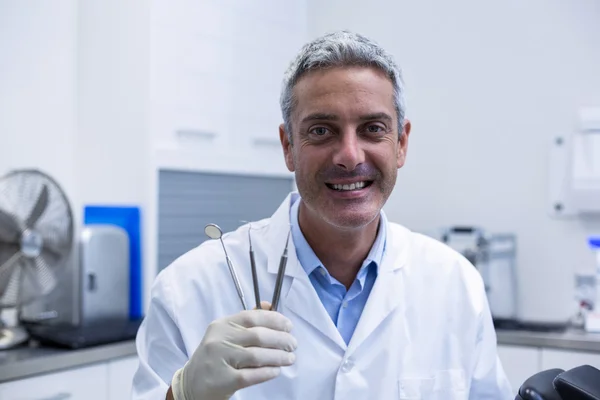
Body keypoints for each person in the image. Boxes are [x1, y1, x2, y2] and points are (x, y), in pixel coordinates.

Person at [132, 30, 513, 399]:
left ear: (400, 144)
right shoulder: (187, 288)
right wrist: (182, 396)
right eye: (321, 130)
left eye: (373, 129)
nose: (349, 155)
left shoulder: (456, 284)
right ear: (288, 147)